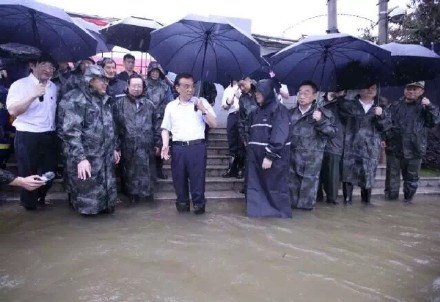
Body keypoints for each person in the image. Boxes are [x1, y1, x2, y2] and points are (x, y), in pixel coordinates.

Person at [58, 65, 120, 215]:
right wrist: (80, 158)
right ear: (90, 81)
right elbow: (71, 132)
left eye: (106, 80)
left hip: (104, 159)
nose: (106, 83)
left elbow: (109, 126)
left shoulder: (104, 100)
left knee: (106, 208)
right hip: (86, 159)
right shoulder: (77, 99)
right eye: (102, 80)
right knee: (88, 206)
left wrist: (113, 148)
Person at [6, 53, 58, 210]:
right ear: (32, 65)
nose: (48, 70)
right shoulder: (19, 85)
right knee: (28, 173)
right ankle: (29, 205)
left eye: (51, 67)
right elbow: (13, 110)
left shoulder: (53, 86)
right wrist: (33, 95)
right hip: (27, 135)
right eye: (44, 65)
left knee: (50, 172)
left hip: (48, 134)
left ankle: (41, 196)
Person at [160, 73, 217, 215]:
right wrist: (165, 145)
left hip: (197, 148)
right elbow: (165, 128)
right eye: (186, 86)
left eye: (192, 86)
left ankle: (199, 210)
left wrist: (203, 110)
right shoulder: (171, 106)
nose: (190, 90)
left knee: (198, 183)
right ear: (177, 88)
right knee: (179, 183)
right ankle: (182, 211)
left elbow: (214, 124)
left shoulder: (201, 102)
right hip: (178, 148)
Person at [384, 81, 440, 203]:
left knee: (411, 179)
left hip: (414, 149)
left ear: (421, 91)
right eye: (409, 88)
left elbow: (434, 121)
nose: (411, 91)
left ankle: (407, 202)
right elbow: (386, 124)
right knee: (391, 180)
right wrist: (384, 138)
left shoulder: (426, 107)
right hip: (394, 148)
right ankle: (390, 203)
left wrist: (429, 106)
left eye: (415, 89)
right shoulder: (395, 105)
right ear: (404, 90)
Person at [339, 83, 391, 205]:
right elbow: (340, 115)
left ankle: (366, 202)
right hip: (351, 145)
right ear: (360, 89)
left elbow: (386, 127)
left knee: (368, 174)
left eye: (373, 88)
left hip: (370, 147)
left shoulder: (382, 107)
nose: (370, 90)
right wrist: (339, 96)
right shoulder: (350, 104)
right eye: (367, 87)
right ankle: (347, 201)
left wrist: (381, 115)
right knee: (348, 174)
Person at [246, 79, 291, 218]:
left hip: (271, 159)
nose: (257, 95)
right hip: (254, 158)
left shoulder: (280, 110)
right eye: (256, 92)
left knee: (274, 188)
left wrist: (270, 156)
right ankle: (257, 215)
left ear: (268, 93)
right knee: (255, 187)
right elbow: (249, 131)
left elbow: (280, 135)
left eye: (260, 92)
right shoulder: (255, 112)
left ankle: (277, 215)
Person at [113, 74, 162, 204]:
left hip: (147, 148)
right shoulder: (119, 105)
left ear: (143, 87)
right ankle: (132, 199)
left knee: (148, 174)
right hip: (127, 148)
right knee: (129, 175)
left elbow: (157, 125)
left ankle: (148, 199)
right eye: (133, 86)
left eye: (139, 86)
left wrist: (158, 143)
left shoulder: (149, 105)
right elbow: (115, 128)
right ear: (128, 86)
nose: (136, 88)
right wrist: (116, 148)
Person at [289, 81, 336, 210]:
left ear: (315, 96)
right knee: (289, 202)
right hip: (291, 162)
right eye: (300, 93)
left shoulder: (323, 114)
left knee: (306, 204)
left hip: (310, 164)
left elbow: (332, 133)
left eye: (306, 93)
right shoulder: (290, 114)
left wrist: (320, 121)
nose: (302, 96)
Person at [145, 62, 174, 180]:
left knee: (161, 145)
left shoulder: (165, 86)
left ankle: (159, 169)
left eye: (157, 71)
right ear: (149, 72)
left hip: (161, 119)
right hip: (146, 118)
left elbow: (170, 101)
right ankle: (148, 170)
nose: (155, 73)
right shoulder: (144, 84)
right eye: (153, 71)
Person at [317, 90, 345, 205]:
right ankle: (316, 197)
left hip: (334, 143)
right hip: (316, 143)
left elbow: (348, 114)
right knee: (316, 173)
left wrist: (340, 98)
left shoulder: (343, 103)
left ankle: (331, 199)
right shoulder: (318, 100)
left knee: (332, 175)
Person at [221, 80, 242, 178]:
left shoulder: (244, 87)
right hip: (232, 115)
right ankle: (231, 168)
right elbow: (224, 107)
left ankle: (241, 169)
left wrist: (239, 97)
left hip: (243, 116)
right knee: (232, 142)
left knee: (241, 143)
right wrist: (228, 103)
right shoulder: (228, 89)